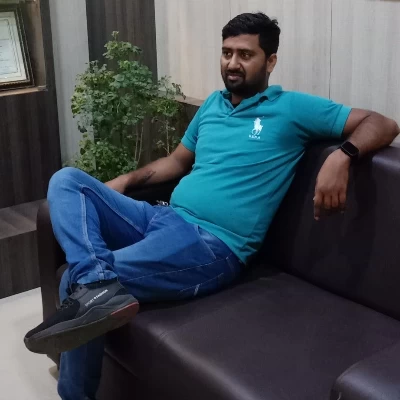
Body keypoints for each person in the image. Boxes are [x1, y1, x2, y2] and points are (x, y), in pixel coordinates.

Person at [24, 12, 398, 400]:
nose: (232, 63)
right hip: (163, 216)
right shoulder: (212, 106)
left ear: (270, 61)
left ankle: (88, 321)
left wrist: (342, 156)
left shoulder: (292, 108)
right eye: (226, 52)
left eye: (245, 54)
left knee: (74, 282)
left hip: (210, 244)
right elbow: (176, 162)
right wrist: (124, 182)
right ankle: (98, 282)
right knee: (67, 180)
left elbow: (383, 123)